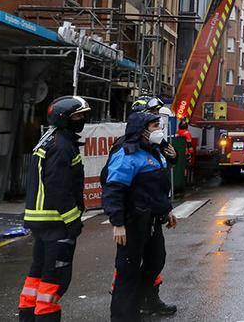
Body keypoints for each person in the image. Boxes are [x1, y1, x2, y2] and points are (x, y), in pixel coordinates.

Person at [19, 96, 90, 322]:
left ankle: (28, 318)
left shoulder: (48, 139)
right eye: (78, 116)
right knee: (54, 281)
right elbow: (58, 186)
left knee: (37, 277)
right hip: (55, 222)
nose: (82, 120)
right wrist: (72, 220)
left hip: (41, 221)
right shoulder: (61, 146)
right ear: (64, 118)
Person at [103, 111, 177, 321]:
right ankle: (122, 316)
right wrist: (117, 223)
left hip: (152, 221)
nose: (159, 130)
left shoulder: (155, 151)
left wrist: (167, 209)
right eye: (154, 126)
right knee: (127, 273)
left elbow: (158, 187)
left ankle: (135, 308)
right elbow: (114, 189)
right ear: (142, 131)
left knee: (156, 261)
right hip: (132, 223)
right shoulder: (127, 154)